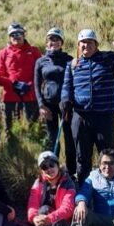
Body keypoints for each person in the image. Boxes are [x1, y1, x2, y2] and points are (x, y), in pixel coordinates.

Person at [60, 29, 114, 184]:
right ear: (78, 45)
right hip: (81, 117)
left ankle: (109, 188)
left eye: (90, 42)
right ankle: (84, 191)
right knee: (82, 157)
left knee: (107, 156)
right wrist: (64, 99)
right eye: (83, 42)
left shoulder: (108, 58)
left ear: (96, 44)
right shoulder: (73, 64)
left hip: (104, 117)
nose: (86, 45)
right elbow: (67, 86)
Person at [5, 151, 75, 226]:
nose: (49, 169)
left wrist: (49, 218)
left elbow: (67, 209)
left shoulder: (68, 183)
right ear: (41, 170)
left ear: (58, 165)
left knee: (45, 210)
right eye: (44, 167)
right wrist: (34, 218)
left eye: (52, 164)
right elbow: (32, 205)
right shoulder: (38, 183)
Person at [34, 28, 75, 176]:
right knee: (52, 139)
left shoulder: (69, 59)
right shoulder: (40, 61)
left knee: (69, 137)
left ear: (61, 43)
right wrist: (41, 105)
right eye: (51, 39)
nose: (54, 42)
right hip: (49, 105)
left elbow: (74, 82)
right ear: (47, 42)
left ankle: (71, 171)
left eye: (57, 40)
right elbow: (36, 84)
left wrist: (70, 102)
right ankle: (53, 171)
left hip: (66, 105)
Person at [0, 22, 42, 131]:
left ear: (24, 35)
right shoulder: (3, 53)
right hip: (10, 98)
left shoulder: (34, 51)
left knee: (33, 130)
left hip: (31, 97)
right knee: (10, 131)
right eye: (12, 34)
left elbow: (41, 72)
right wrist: (14, 83)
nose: (16, 37)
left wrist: (30, 85)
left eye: (19, 33)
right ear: (9, 37)